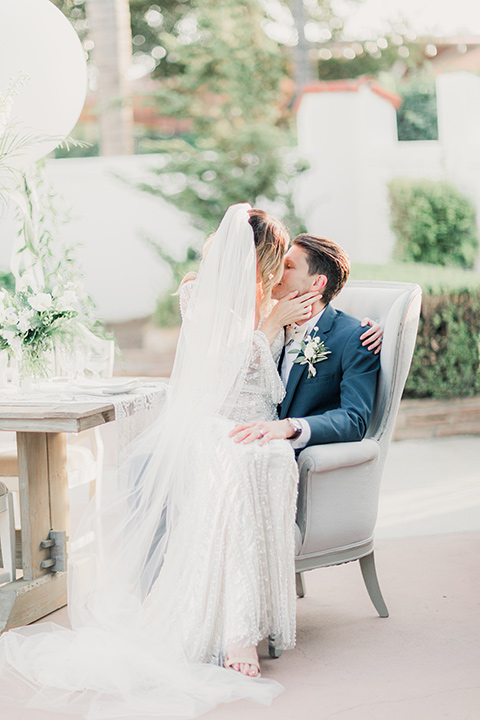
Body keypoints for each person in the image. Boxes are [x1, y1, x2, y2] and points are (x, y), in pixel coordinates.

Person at [0, 206, 381, 718]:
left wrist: (361, 328)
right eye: (278, 262)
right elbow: (218, 373)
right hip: (214, 421)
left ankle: (242, 622)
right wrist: (269, 323)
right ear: (259, 260)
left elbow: (331, 331)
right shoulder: (215, 298)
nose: (280, 274)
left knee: (260, 458)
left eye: (290, 266)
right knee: (234, 463)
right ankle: (231, 628)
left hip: (261, 429)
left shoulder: (324, 322)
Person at [230, 233, 381, 449]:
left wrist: (291, 427)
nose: (275, 272)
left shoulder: (354, 337)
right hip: (242, 435)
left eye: (289, 266)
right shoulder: (265, 321)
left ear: (318, 282)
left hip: (287, 452)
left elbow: (354, 419)